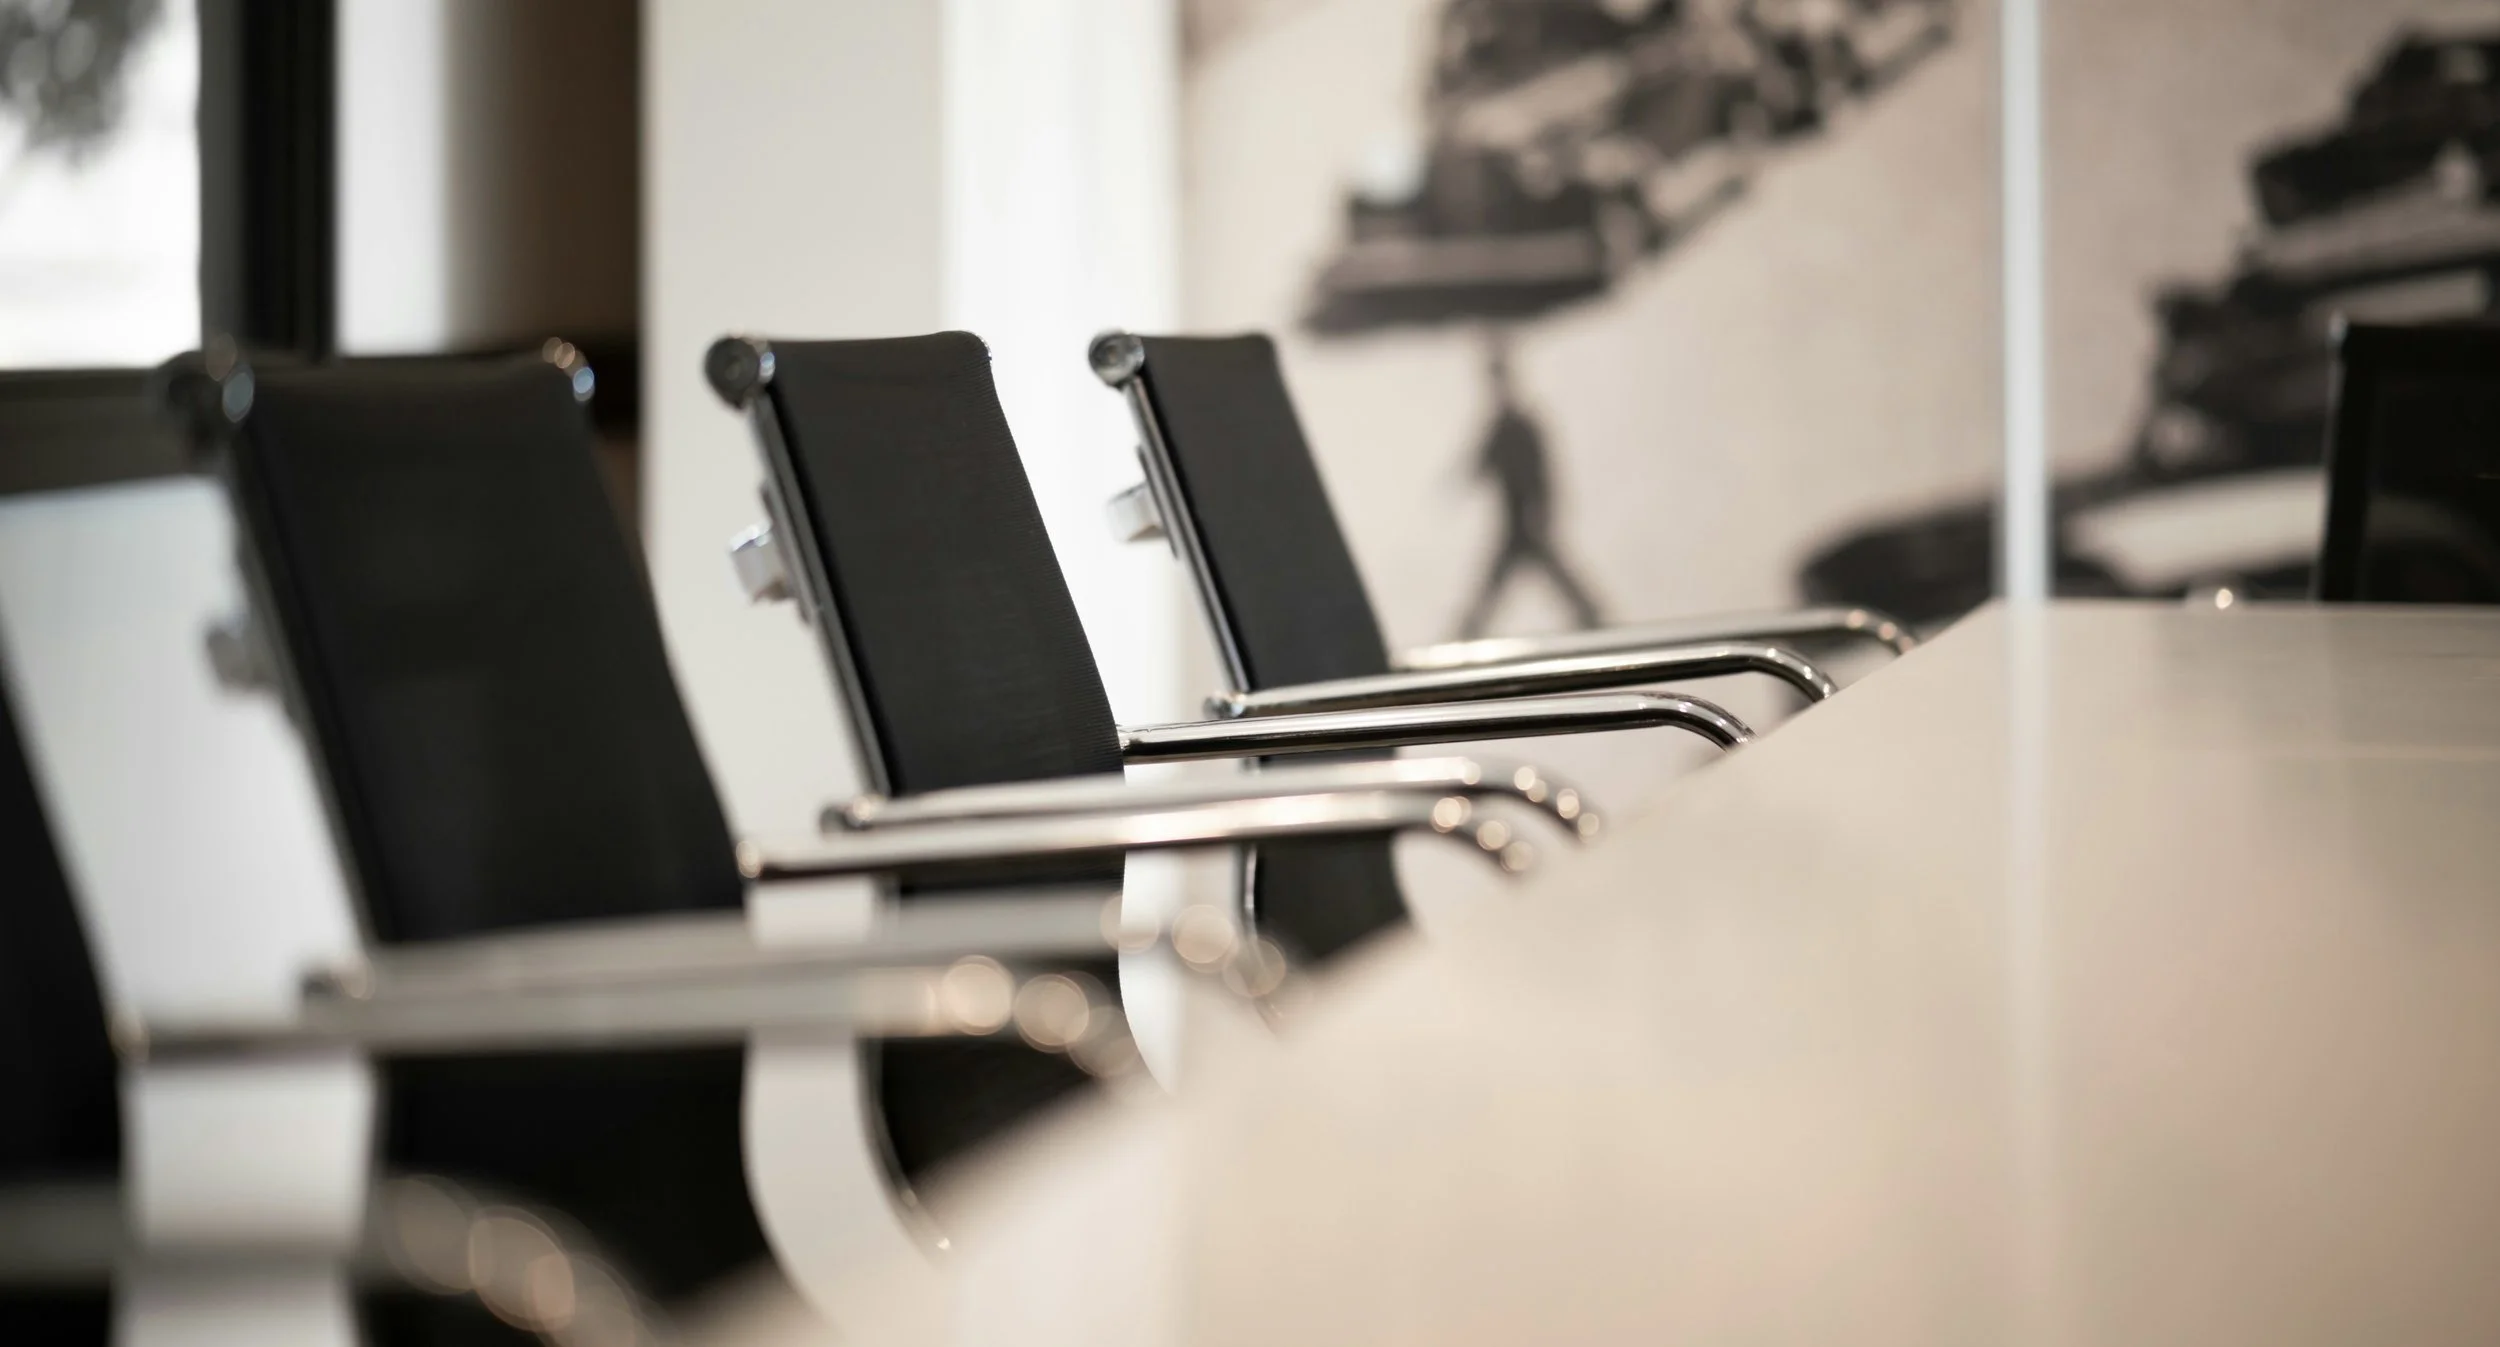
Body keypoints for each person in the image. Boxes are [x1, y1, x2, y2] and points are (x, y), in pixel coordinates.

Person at [1455, 329, 1608, 638]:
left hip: (1528, 520)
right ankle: (1593, 619)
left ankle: (1594, 620)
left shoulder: (1522, 426)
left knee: (1524, 577)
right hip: (1514, 523)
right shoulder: (1500, 427)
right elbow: (1480, 463)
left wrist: (1544, 510)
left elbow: (1543, 473)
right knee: (1506, 581)